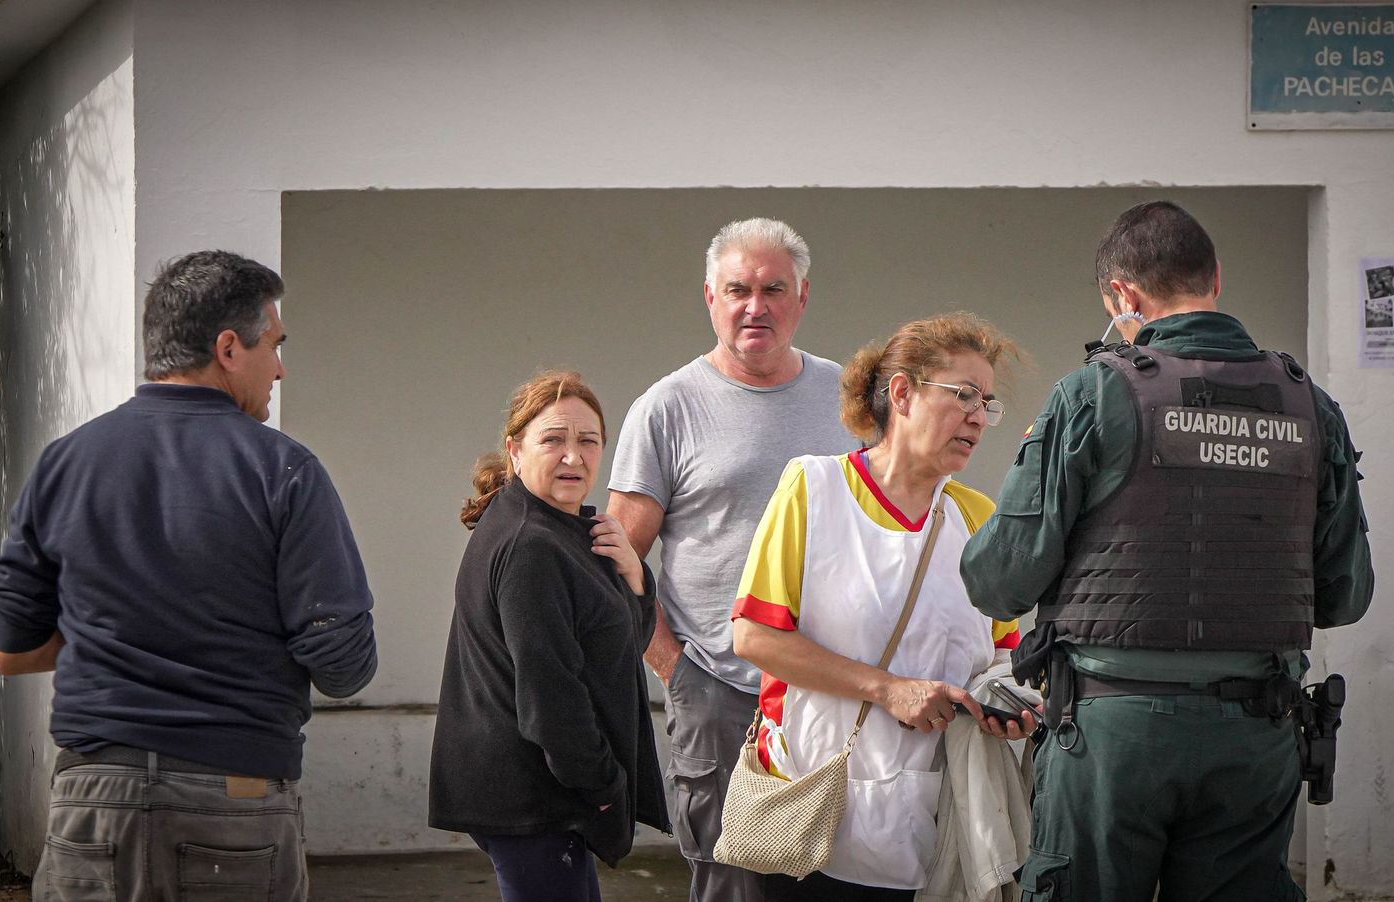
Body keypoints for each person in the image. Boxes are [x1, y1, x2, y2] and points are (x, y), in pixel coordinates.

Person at [961, 201, 1374, 901]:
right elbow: (1345, 596)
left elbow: (999, 581)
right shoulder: (1310, 405)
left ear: (1122, 297)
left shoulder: (1094, 393)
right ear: (1216, 277)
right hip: (1257, 728)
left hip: (1111, 737)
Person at [0, 250, 378, 901]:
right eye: (274, 345)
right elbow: (344, 665)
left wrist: (120, 627)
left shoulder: (65, 463)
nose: (280, 367)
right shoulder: (285, 471)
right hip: (235, 803)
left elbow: (12, 652)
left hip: (91, 803)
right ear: (229, 347)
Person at [731, 313, 1037, 901]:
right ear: (902, 392)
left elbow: (1004, 656)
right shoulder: (813, 489)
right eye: (964, 394)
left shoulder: (978, 515)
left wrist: (1013, 704)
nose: (978, 416)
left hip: (939, 833)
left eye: (988, 403)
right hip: (814, 820)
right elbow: (755, 637)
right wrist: (887, 689)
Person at [607, 217, 856, 901]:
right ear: (710, 299)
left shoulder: (848, 400)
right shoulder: (667, 408)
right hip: (722, 693)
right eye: (738, 290)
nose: (756, 306)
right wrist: (676, 669)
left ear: (802, 298)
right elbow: (615, 563)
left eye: (774, 289)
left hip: (834, 688)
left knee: (840, 875)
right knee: (734, 884)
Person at [429, 371, 667, 902]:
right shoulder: (530, 545)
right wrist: (605, 788)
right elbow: (549, 692)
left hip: (545, 795)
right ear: (515, 451)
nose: (573, 457)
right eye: (553, 439)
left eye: (588, 441)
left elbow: (618, 648)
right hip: (532, 796)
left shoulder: (564, 531)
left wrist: (634, 577)